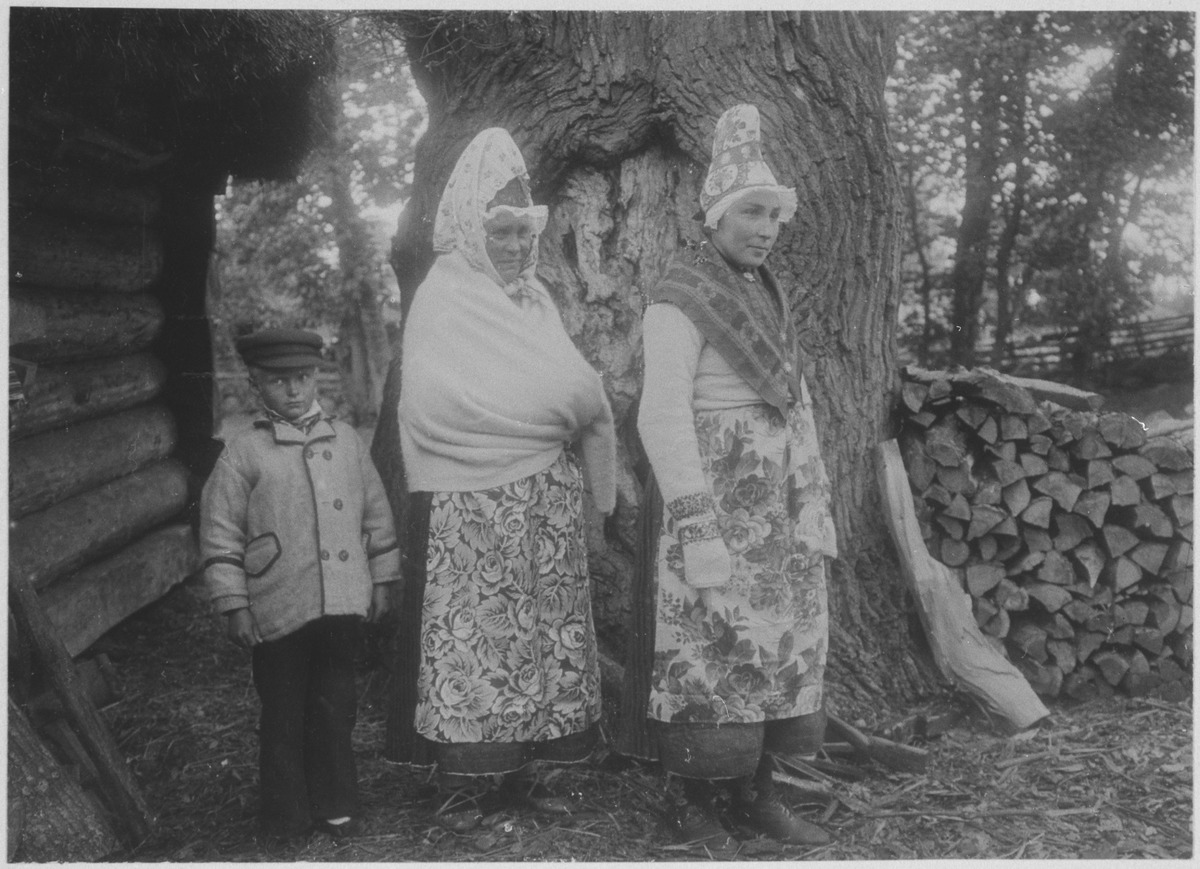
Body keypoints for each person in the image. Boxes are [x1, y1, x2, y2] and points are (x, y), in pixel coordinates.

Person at [619, 104, 839, 851]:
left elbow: (795, 397)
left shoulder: (767, 290)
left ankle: (755, 794)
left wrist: (810, 499)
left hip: (776, 509)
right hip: (714, 499)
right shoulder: (680, 295)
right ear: (715, 214)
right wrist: (697, 522)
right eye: (752, 212)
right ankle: (690, 805)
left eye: (774, 216)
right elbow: (662, 416)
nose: (766, 229)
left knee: (772, 648)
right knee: (710, 652)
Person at [386, 128, 616, 831]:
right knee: (481, 640)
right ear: (469, 228)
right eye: (503, 231)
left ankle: (515, 782)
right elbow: (437, 403)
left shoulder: (535, 302)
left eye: (525, 230)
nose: (517, 245)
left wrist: (571, 405)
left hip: (542, 500)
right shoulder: (446, 297)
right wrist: (563, 405)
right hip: (473, 507)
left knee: (534, 643)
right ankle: (467, 791)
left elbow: (572, 388)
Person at [200, 328, 400, 843]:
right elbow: (220, 532)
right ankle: (286, 820)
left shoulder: (346, 442)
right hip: (278, 606)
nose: (293, 390)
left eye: (303, 378)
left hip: (341, 605)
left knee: (335, 711)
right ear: (255, 385)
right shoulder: (244, 453)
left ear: (317, 378)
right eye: (278, 381)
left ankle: (337, 807)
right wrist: (234, 604)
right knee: (283, 717)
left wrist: (381, 580)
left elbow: (376, 514)